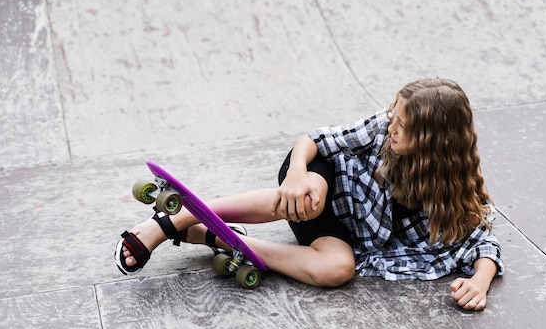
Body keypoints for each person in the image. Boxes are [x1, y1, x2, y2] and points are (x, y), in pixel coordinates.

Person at [115, 78, 504, 311]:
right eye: (395, 117)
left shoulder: (452, 191)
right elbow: (314, 141)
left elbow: (484, 242)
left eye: (403, 125)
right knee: (309, 199)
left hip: (336, 229)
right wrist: (298, 172)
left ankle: (222, 238)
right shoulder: (381, 129)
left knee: (338, 269)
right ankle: (177, 217)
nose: (393, 127)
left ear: (433, 142)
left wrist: (480, 283)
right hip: (316, 177)